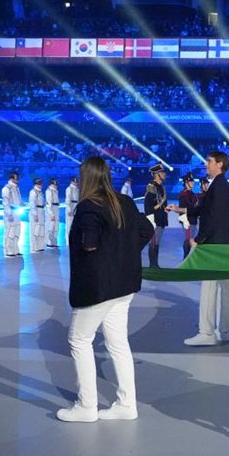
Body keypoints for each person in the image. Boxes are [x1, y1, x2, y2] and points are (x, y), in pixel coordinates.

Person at [57, 157, 155, 423]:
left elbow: (90, 244)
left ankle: (86, 406)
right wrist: (124, 252)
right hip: (124, 286)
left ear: (87, 178)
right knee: (118, 343)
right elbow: (146, 229)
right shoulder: (122, 201)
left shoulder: (89, 207)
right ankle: (126, 404)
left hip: (99, 288)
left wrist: (105, 253)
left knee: (79, 340)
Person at [174, 151, 229, 346]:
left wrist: (198, 239)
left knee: (209, 288)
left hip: (214, 246)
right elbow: (205, 210)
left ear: (219, 164)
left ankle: (207, 332)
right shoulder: (221, 186)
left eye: (209, 161)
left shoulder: (218, 187)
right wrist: (180, 209)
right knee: (226, 289)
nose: (206, 164)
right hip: (225, 245)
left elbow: (213, 217)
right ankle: (225, 331)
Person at [144, 163, 168, 268]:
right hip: (154, 218)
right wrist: (151, 219)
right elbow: (148, 204)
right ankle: (152, 265)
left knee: (157, 242)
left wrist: (167, 209)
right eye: (162, 172)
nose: (164, 174)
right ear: (156, 174)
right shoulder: (151, 186)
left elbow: (163, 202)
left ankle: (156, 264)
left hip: (161, 217)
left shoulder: (161, 186)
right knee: (153, 242)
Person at [177, 172, 201, 259]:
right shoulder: (183, 195)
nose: (193, 183)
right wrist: (185, 222)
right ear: (186, 183)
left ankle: (187, 257)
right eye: (191, 182)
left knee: (191, 238)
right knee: (188, 239)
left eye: (193, 181)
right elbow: (183, 209)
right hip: (188, 220)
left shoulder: (192, 194)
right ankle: (185, 257)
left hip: (193, 219)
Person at [2, 172, 23, 257]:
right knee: (10, 232)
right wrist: (9, 213)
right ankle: (8, 250)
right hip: (11, 212)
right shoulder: (7, 188)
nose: (17, 180)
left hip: (17, 211)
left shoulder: (16, 188)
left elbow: (18, 199)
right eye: (16, 178)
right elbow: (5, 202)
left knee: (17, 231)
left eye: (18, 178)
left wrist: (21, 203)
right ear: (11, 178)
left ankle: (15, 249)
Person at [29, 177, 46, 253]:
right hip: (36, 211)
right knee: (35, 230)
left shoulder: (40, 192)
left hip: (41, 210)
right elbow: (32, 203)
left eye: (40, 183)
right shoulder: (33, 192)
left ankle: (40, 246)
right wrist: (35, 214)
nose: (40, 185)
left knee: (41, 230)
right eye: (38, 183)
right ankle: (34, 247)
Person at [45, 178, 61, 248]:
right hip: (51, 209)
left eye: (56, 184)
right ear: (51, 184)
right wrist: (51, 213)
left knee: (56, 226)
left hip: (56, 208)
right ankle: (49, 242)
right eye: (54, 184)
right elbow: (49, 203)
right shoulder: (49, 191)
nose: (55, 185)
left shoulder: (55, 191)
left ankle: (54, 242)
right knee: (51, 227)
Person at [65, 177, 79, 244]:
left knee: (75, 225)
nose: (76, 183)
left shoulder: (77, 189)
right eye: (74, 181)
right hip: (71, 206)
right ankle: (68, 241)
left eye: (76, 182)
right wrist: (69, 210)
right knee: (70, 225)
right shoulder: (69, 189)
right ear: (71, 182)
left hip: (76, 206)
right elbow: (68, 200)